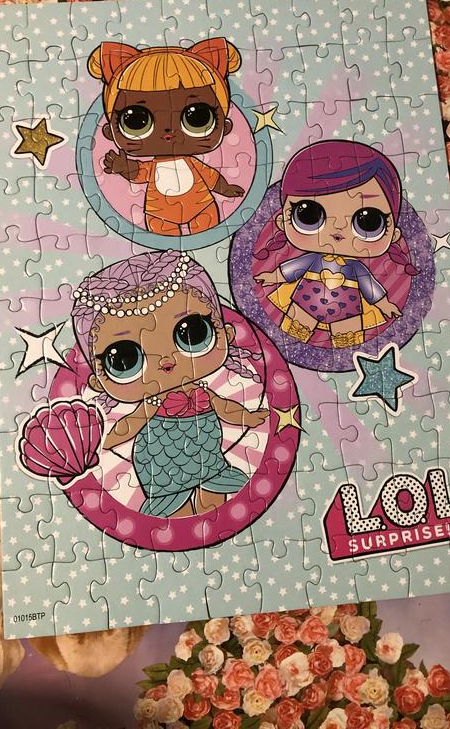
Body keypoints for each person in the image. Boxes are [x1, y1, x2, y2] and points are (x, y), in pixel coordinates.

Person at [72, 251, 268, 518]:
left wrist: (248, 417)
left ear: (226, 332)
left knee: (214, 500)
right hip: (164, 470)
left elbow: (225, 408)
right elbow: (129, 426)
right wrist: (103, 442)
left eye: (193, 333)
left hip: (209, 460)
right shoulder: (152, 404)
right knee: (176, 510)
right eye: (126, 359)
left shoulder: (201, 392)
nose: (165, 361)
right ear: (97, 381)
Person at [255, 140, 416, 349]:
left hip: (347, 307)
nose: (338, 228)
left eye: (368, 221)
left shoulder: (356, 268)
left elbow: (369, 286)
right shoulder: (312, 259)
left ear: (393, 234)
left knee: (347, 339)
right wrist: (272, 277)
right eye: (309, 214)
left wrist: (384, 304)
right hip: (306, 300)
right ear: (282, 220)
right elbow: (292, 269)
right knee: (295, 332)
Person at [88, 39, 244, 236]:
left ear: (225, 127)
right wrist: (123, 167)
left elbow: (211, 177)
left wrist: (226, 188)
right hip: (160, 214)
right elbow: (138, 173)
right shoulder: (152, 168)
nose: (168, 131)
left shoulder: (194, 165)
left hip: (201, 206)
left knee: (207, 223)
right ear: (110, 132)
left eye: (197, 117)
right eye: (137, 121)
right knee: (164, 237)